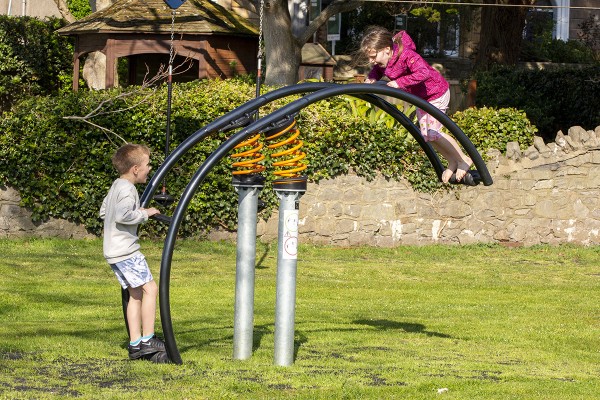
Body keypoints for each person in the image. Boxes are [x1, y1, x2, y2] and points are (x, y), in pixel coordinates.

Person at [360, 26, 473, 183]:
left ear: (386, 49)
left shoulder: (407, 55)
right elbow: (378, 70)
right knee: (427, 136)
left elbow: (423, 73)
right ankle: (452, 161)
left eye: (373, 56)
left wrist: (400, 82)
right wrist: (372, 78)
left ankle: (463, 159)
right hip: (421, 98)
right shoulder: (384, 62)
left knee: (433, 132)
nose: (371, 61)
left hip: (435, 93)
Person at [99, 143, 167, 363]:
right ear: (136, 169)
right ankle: (148, 339)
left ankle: (135, 344)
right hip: (126, 251)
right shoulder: (128, 189)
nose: (150, 168)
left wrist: (135, 211)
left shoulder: (116, 185)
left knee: (135, 294)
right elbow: (123, 215)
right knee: (151, 289)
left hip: (113, 251)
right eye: (148, 164)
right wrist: (145, 213)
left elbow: (104, 212)